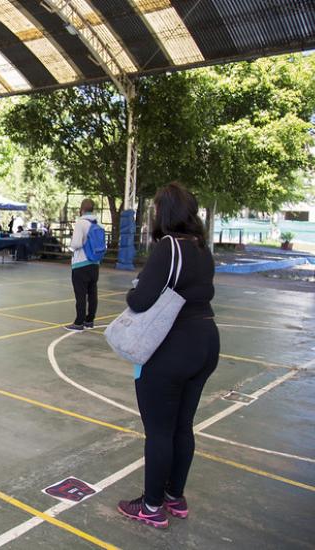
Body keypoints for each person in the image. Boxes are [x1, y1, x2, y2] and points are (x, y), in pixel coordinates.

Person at [117, 182, 218, 529]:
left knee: (159, 432)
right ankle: (175, 496)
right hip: (205, 341)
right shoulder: (202, 248)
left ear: (165, 213)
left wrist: (135, 288)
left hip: (172, 347)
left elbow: (140, 301)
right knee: (182, 426)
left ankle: (151, 506)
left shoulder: (167, 247)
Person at [66, 199, 100, 331]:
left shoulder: (81, 223)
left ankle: (78, 322)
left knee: (80, 294)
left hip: (81, 264)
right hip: (95, 263)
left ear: (82, 209)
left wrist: (71, 248)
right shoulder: (98, 223)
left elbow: (76, 244)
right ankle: (89, 320)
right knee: (92, 293)